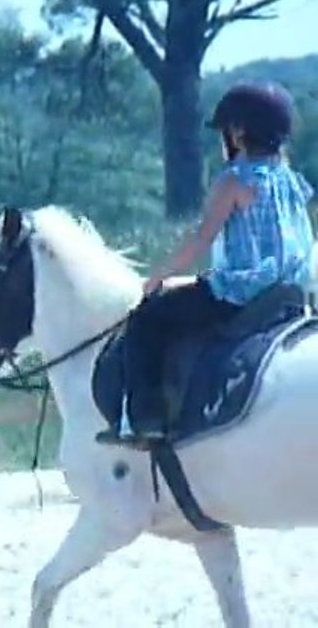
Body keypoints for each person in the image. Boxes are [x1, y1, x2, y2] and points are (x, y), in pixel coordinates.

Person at [96, 81, 315, 448]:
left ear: (239, 132)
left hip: (241, 293)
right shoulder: (292, 181)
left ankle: (145, 420)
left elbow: (202, 239)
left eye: (228, 130)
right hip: (289, 290)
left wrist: (158, 277)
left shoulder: (233, 182)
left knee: (148, 320)